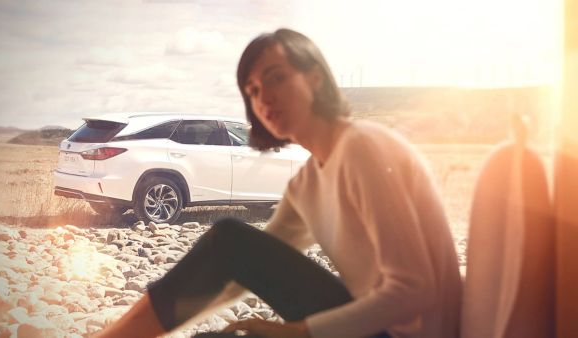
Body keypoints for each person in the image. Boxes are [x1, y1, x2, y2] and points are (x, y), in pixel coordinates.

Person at [94, 28, 461, 338]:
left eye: (276, 78)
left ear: (315, 77)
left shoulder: (362, 146)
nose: (263, 97)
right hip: (370, 327)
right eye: (252, 90)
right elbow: (236, 268)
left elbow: (415, 290)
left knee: (229, 237)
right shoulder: (309, 182)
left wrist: (298, 332)